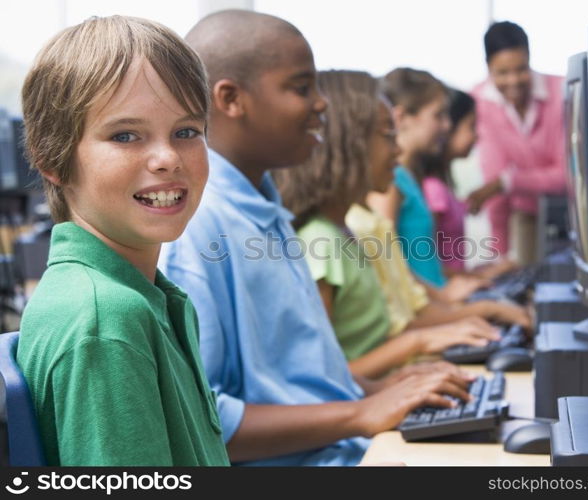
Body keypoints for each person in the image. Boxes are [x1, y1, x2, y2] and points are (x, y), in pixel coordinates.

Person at [159, 10, 473, 467]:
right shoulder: (197, 229)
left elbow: (299, 378)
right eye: (301, 88)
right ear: (230, 99)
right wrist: (360, 412)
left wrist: (383, 391)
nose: (322, 105)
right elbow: (205, 421)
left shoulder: (267, 213)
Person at [16, 16, 229, 466]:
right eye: (125, 135)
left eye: (186, 131)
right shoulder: (105, 321)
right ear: (51, 158)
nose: (168, 158)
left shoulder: (144, 294)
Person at [274, 70, 501, 378]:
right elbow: (323, 376)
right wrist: (416, 344)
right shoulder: (322, 244)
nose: (397, 149)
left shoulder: (348, 235)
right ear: (350, 146)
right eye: (386, 135)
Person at [367, 67, 487, 300]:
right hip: (427, 307)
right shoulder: (391, 182)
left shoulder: (409, 178)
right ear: (401, 118)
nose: (446, 126)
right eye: (438, 115)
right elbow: (385, 264)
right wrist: (444, 297)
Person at [468, 21, 566, 265]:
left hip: (568, 207)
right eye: (502, 72)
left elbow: (565, 176)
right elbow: (494, 184)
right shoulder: (480, 102)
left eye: (521, 69)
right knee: (523, 274)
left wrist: (508, 181)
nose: (513, 81)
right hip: (524, 210)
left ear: (530, 59)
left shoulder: (560, 92)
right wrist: (499, 254)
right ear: (488, 68)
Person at [419, 89, 516, 279]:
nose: (476, 136)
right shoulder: (434, 190)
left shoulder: (441, 187)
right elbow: (427, 267)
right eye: (471, 126)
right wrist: (480, 277)